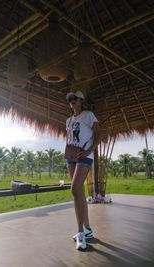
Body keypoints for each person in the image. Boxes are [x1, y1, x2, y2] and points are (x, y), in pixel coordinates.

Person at [65, 90, 102, 251]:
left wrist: (89, 151)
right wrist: (66, 151)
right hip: (71, 156)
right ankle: (87, 230)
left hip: (84, 155)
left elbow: (99, 135)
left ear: (81, 100)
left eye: (75, 98)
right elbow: (70, 138)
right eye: (70, 99)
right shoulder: (68, 120)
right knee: (78, 192)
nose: (72, 100)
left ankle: (80, 233)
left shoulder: (88, 115)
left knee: (74, 190)